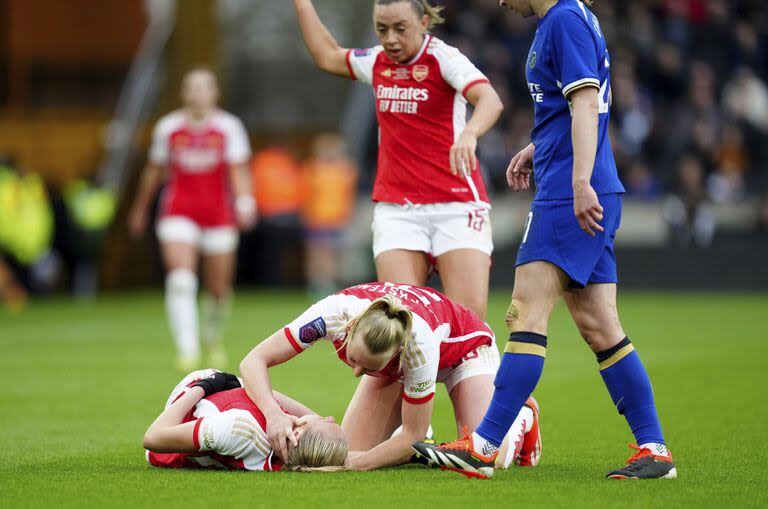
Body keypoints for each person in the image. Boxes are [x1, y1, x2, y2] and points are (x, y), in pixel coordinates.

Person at [413, 0, 676, 480]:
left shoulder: (563, 20)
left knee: (525, 310)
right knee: (600, 326)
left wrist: (578, 182)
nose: (498, 2)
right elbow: (571, 105)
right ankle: (654, 449)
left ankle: (485, 444)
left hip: (570, 194)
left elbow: (586, 101)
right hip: (586, 183)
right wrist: (541, 147)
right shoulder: (570, 18)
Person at [293, 0, 504, 320]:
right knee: (400, 321)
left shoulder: (444, 58)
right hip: (397, 208)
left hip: (456, 204)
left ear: (422, 23)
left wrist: (470, 133)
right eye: (382, 29)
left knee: (468, 323)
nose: (390, 38)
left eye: (400, 29)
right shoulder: (377, 61)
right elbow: (327, 56)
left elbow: (489, 99)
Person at [239, 282, 541, 473]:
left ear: (396, 351)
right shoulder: (330, 314)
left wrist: (355, 464)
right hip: (395, 369)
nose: (356, 372)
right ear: (352, 326)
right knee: (352, 445)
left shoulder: (417, 347)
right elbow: (253, 361)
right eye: (354, 360)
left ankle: (523, 415)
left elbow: (415, 434)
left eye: (365, 368)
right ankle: (395, 440)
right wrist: (272, 414)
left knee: (491, 456)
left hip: (465, 351)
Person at [128, 68, 256, 370]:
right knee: (181, 280)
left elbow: (238, 169)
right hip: (178, 211)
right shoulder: (168, 128)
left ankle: (211, 337)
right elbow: (154, 171)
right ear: (183, 94)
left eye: (204, 88)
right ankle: (187, 348)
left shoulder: (229, 127)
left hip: (218, 214)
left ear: (215, 93)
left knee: (218, 289)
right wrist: (140, 208)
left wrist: (245, 202)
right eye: (192, 88)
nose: (198, 94)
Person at [143, 369, 348, 471]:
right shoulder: (289, 438)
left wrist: (205, 386)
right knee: (260, 393)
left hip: (181, 410)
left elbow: (153, 439)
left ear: (296, 435)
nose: (329, 417)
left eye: (327, 422)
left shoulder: (240, 429)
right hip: (227, 403)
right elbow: (267, 395)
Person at [300, 134, 359, 297]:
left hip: (338, 219)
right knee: (317, 254)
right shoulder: (312, 168)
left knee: (334, 254)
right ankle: (317, 284)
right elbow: (305, 193)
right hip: (316, 218)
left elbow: (349, 195)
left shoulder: (346, 169)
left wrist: (348, 216)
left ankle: (331, 284)